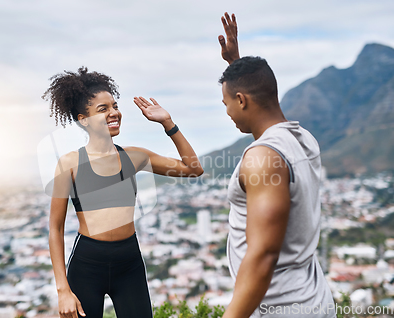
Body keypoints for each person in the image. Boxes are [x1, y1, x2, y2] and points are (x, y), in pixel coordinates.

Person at [43, 67, 203, 318]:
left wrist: (168, 123)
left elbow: (193, 169)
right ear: (83, 119)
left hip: (129, 263)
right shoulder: (70, 163)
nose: (114, 112)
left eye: (114, 106)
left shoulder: (135, 157)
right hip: (87, 265)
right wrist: (63, 289)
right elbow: (55, 228)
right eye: (103, 109)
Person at [217, 13, 336, 318]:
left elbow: (264, 254)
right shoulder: (303, 139)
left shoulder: (262, 158)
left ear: (241, 100)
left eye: (227, 102)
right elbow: (254, 92)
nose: (227, 111)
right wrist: (236, 65)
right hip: (313, 298)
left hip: (279, 306)